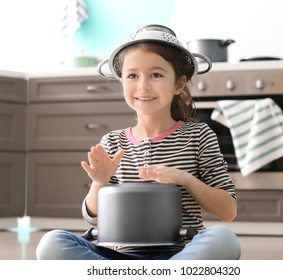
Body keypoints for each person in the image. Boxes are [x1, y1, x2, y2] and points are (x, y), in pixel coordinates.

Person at [36, 24, 241, 260]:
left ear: (178, 84)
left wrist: (184, 179)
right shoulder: (112, 141)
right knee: (51, 243)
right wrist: (99, 182)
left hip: (181, 252)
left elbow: (227, 211)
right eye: (132, 75)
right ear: (122, 81)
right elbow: (93, 218)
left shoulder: (198, 136)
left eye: (156, 74)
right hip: (118, 254)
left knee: (223, 240)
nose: (143, 85)